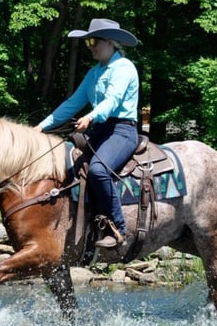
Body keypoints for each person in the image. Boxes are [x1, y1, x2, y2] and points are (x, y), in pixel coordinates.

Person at [34, 18, 140, 248]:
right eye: (87, 42)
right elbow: (72, 103)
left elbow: (112, 100)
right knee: (68, 169)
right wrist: (41, 127)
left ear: (110, 42)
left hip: (122, 131)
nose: (90, 45)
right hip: (101, 131)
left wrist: (91, 117)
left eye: (94, 41)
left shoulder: (123, 68)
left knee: (98, 171)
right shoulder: (94, 73)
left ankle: (118, 229)